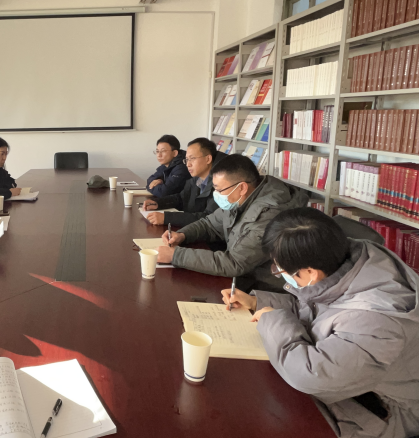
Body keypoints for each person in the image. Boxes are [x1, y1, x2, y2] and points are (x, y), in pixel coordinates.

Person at [222, 208, 419, 438]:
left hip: (386, 414)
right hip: (352, 383)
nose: (278, 273)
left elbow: (309, 375)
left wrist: (272, 319)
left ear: (310, 272)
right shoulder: (349, 261)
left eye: (279, 269)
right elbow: (317, 308)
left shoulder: (377, 323)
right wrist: (258, 302)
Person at [157, 154, 308, 292]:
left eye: (219, 190)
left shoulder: (270, 215)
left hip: (262, 289)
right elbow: (209, 224)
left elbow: (235, 263)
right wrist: (183, 235)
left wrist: (176, 256)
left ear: (242, 187)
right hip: (241, 279)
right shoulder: (240, 198)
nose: (216, 195)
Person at [143, 138, 225, 227]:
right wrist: (158, 203)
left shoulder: (222, 185)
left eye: (192, 158)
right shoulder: (196, 179)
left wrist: (167, 218)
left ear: (208, 159)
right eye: (187, 160)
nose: (188, 164)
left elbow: (208, 217)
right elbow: (181, 198)